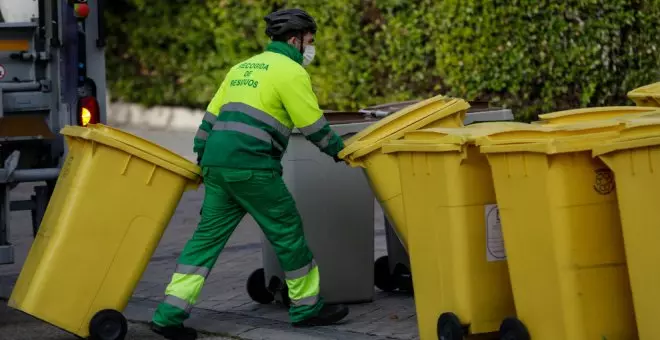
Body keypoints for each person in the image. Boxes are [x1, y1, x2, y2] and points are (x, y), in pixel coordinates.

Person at [149, 8, 349, 340]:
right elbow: (312, 124)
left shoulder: (241, 68)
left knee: (204, 242)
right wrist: (340, 151)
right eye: (310, 41)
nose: (311, 49)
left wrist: (203, 162)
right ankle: (306, 307)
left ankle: (168, 315)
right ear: (295, 40)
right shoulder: (290, 71)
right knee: (287, 231)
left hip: (217, 165)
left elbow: (209, 120)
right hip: (252, 168)